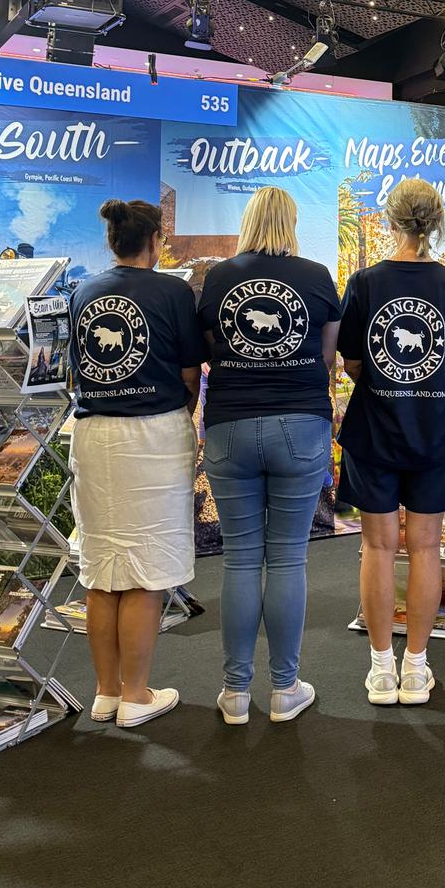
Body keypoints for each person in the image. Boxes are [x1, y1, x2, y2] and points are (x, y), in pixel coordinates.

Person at [337, 178, 445, 707]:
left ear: (391, 220)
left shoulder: (364, 283)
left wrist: (388, 385)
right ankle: (416, 669)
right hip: (434, 432)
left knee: (377, 547)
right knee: (426, 548)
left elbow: (353, 362)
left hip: (374, 431)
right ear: (437, 222)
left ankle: (381, 669)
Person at [199, 187, 341, 727]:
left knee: (239, 559)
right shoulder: (316, 276)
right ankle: (285, 688)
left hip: (230, 425)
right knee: (286, 559)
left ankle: (235, 693)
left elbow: (209, 350)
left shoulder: (219, 277)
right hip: (300, 425)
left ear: (249, 221)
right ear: (292, 223)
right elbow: (327, 356)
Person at [69, 199, 204, 728]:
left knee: (102, 569)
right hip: (153, 435)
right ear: (155, 240)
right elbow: (190, 373)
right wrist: (178, 415)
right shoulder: (173, 292)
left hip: (93, 435)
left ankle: (105, 692)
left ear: (112, 241)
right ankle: (136, 694)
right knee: (146, 570)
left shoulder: (83, 292)